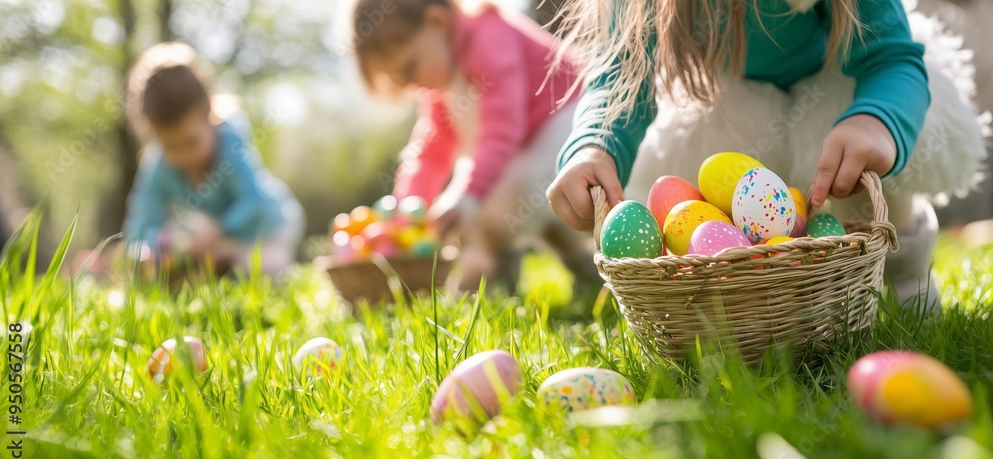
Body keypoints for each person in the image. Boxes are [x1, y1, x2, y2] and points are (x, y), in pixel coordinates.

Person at [547, 0, 987, 310]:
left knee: (857, 167)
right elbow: (621, 77)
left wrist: (876, 120)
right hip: (738, 97)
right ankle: (760, 306)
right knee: (710, 189)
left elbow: (889, 56)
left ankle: (906, 274)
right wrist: (593, 147)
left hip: (842, 75)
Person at [352, 0, 599, 291]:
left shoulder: (490, 38)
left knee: (504, 205)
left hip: (572, 118)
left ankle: (490, 280)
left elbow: (502, 129)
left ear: (437, 22)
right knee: (522, 203)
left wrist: (468, 196)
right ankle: (585, 274)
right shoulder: (440, 84)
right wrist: (408, 213)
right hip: (531, 139)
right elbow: (431, 152)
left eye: (410, 67)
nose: (413, 83)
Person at [122, 42, 304, 278]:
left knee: (261, 268)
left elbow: (253, 200)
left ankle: (250, 263)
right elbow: (141, 220)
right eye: (170, 146)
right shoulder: (159, 163)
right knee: (189, 265)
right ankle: (226, 264)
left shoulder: (229, 142)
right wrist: (150, 249)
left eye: (190, 142)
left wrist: (219, 230)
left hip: (270, 227)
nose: (182, 155)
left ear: (209, 114)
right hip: (221, 242)